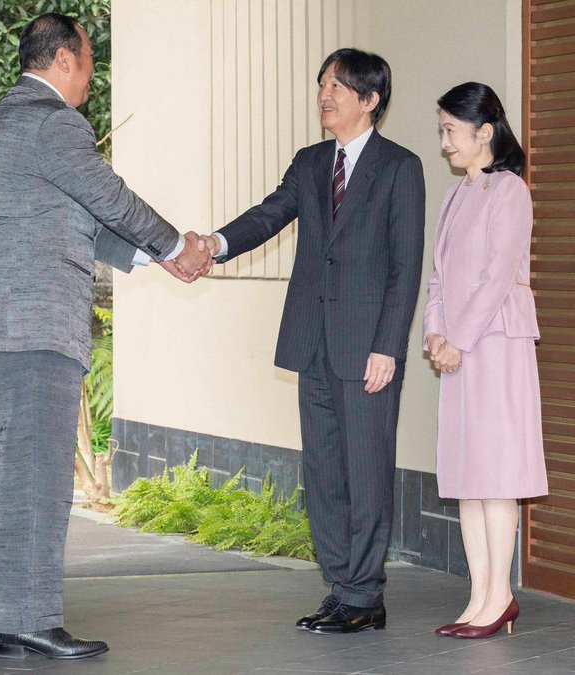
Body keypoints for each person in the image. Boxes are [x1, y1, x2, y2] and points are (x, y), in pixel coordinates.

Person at [0, 12, 211, 661]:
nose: (92, 76)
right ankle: (31, 616)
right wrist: (179, 242)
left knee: (5, 476)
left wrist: (158, 259)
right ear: (64, 59)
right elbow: (110, 197)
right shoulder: (53, 122)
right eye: (89, 61)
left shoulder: (5, 122)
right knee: (37, 478)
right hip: (31, 327)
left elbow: (84, 220)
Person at [198, 48, 425, 634]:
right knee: (322, 469)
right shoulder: (309, 162)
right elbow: (268, 216)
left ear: (370, 99)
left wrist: (389, 346)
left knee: (367, 471)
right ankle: (341, 583)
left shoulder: (401, 167)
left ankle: (366, 594)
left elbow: (406, 266)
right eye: (322, 84)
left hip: (366, 348)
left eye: (339, 87)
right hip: (313, 341)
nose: (325, 95)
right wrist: (214, 244)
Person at [423, 82, 546, 640]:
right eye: (443, 129)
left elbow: (498, 277)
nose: (445, 141)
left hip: (494, 345)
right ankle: (478, 595)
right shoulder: (456, 195)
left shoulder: (510, 190)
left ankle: (501, 596)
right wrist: (434, 334)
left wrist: (459, 339)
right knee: (468, 475)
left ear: (484, 133)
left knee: (496, 474)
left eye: (452, 130)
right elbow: (439, 279)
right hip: (458, 351)